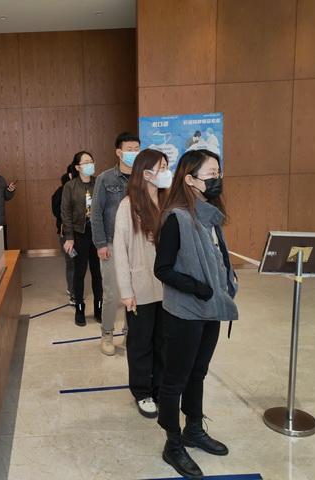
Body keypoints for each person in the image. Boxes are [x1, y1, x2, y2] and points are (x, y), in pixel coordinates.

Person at [153, 149, 238, 480]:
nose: (217, 179)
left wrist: (226, 280)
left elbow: (217, 257)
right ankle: (173, 444)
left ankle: (193, 429)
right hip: (185, 313)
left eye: (219, 173)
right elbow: (163, 269)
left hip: (210, 311)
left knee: (197, 374)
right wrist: (199, 288)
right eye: (211, 174)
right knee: (174, 381)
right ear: (189, 179)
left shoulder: (208, 215)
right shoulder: (176, 218)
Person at [113, 149, 171, 419]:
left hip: (168, 287)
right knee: (140, 343)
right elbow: (120, 250)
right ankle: (142, 391)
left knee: (164, 342)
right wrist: (126, 291)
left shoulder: (168, 201)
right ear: (146, 172)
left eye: (167, 166)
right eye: (162, 167)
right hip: (140, 287)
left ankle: (160, 388)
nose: (166, 172)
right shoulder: (129, 206)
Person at [91, 132, 140, 356]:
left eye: (137, 149)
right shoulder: (105, 178)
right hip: (111, 243)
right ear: (119, 152)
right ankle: (107, 333)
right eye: (129, 149)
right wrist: (101, 243)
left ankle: (130, 333)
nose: (134, 153)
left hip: (137, 245)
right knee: (111, 293)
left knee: (135, 292)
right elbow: (96, 213)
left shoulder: (143, 176)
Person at [61, 151, 103, 327]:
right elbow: (66, 213)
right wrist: (69, 237)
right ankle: (80, 308)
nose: (89, 165)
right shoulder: (70, 186)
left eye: (91, 161)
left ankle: (99, 308)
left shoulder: (99, 182)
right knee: (79, 273)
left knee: (98, 273)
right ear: (78, 167)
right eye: (85, 162)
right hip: (79, 234)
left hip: (98, 234)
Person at [52, 167, 75, 305]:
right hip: (66, 233)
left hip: (81, 233)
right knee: (71, 262)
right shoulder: (60, 192)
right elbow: (57, 212)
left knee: (77, 263)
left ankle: (72, 288)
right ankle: (73, 294)